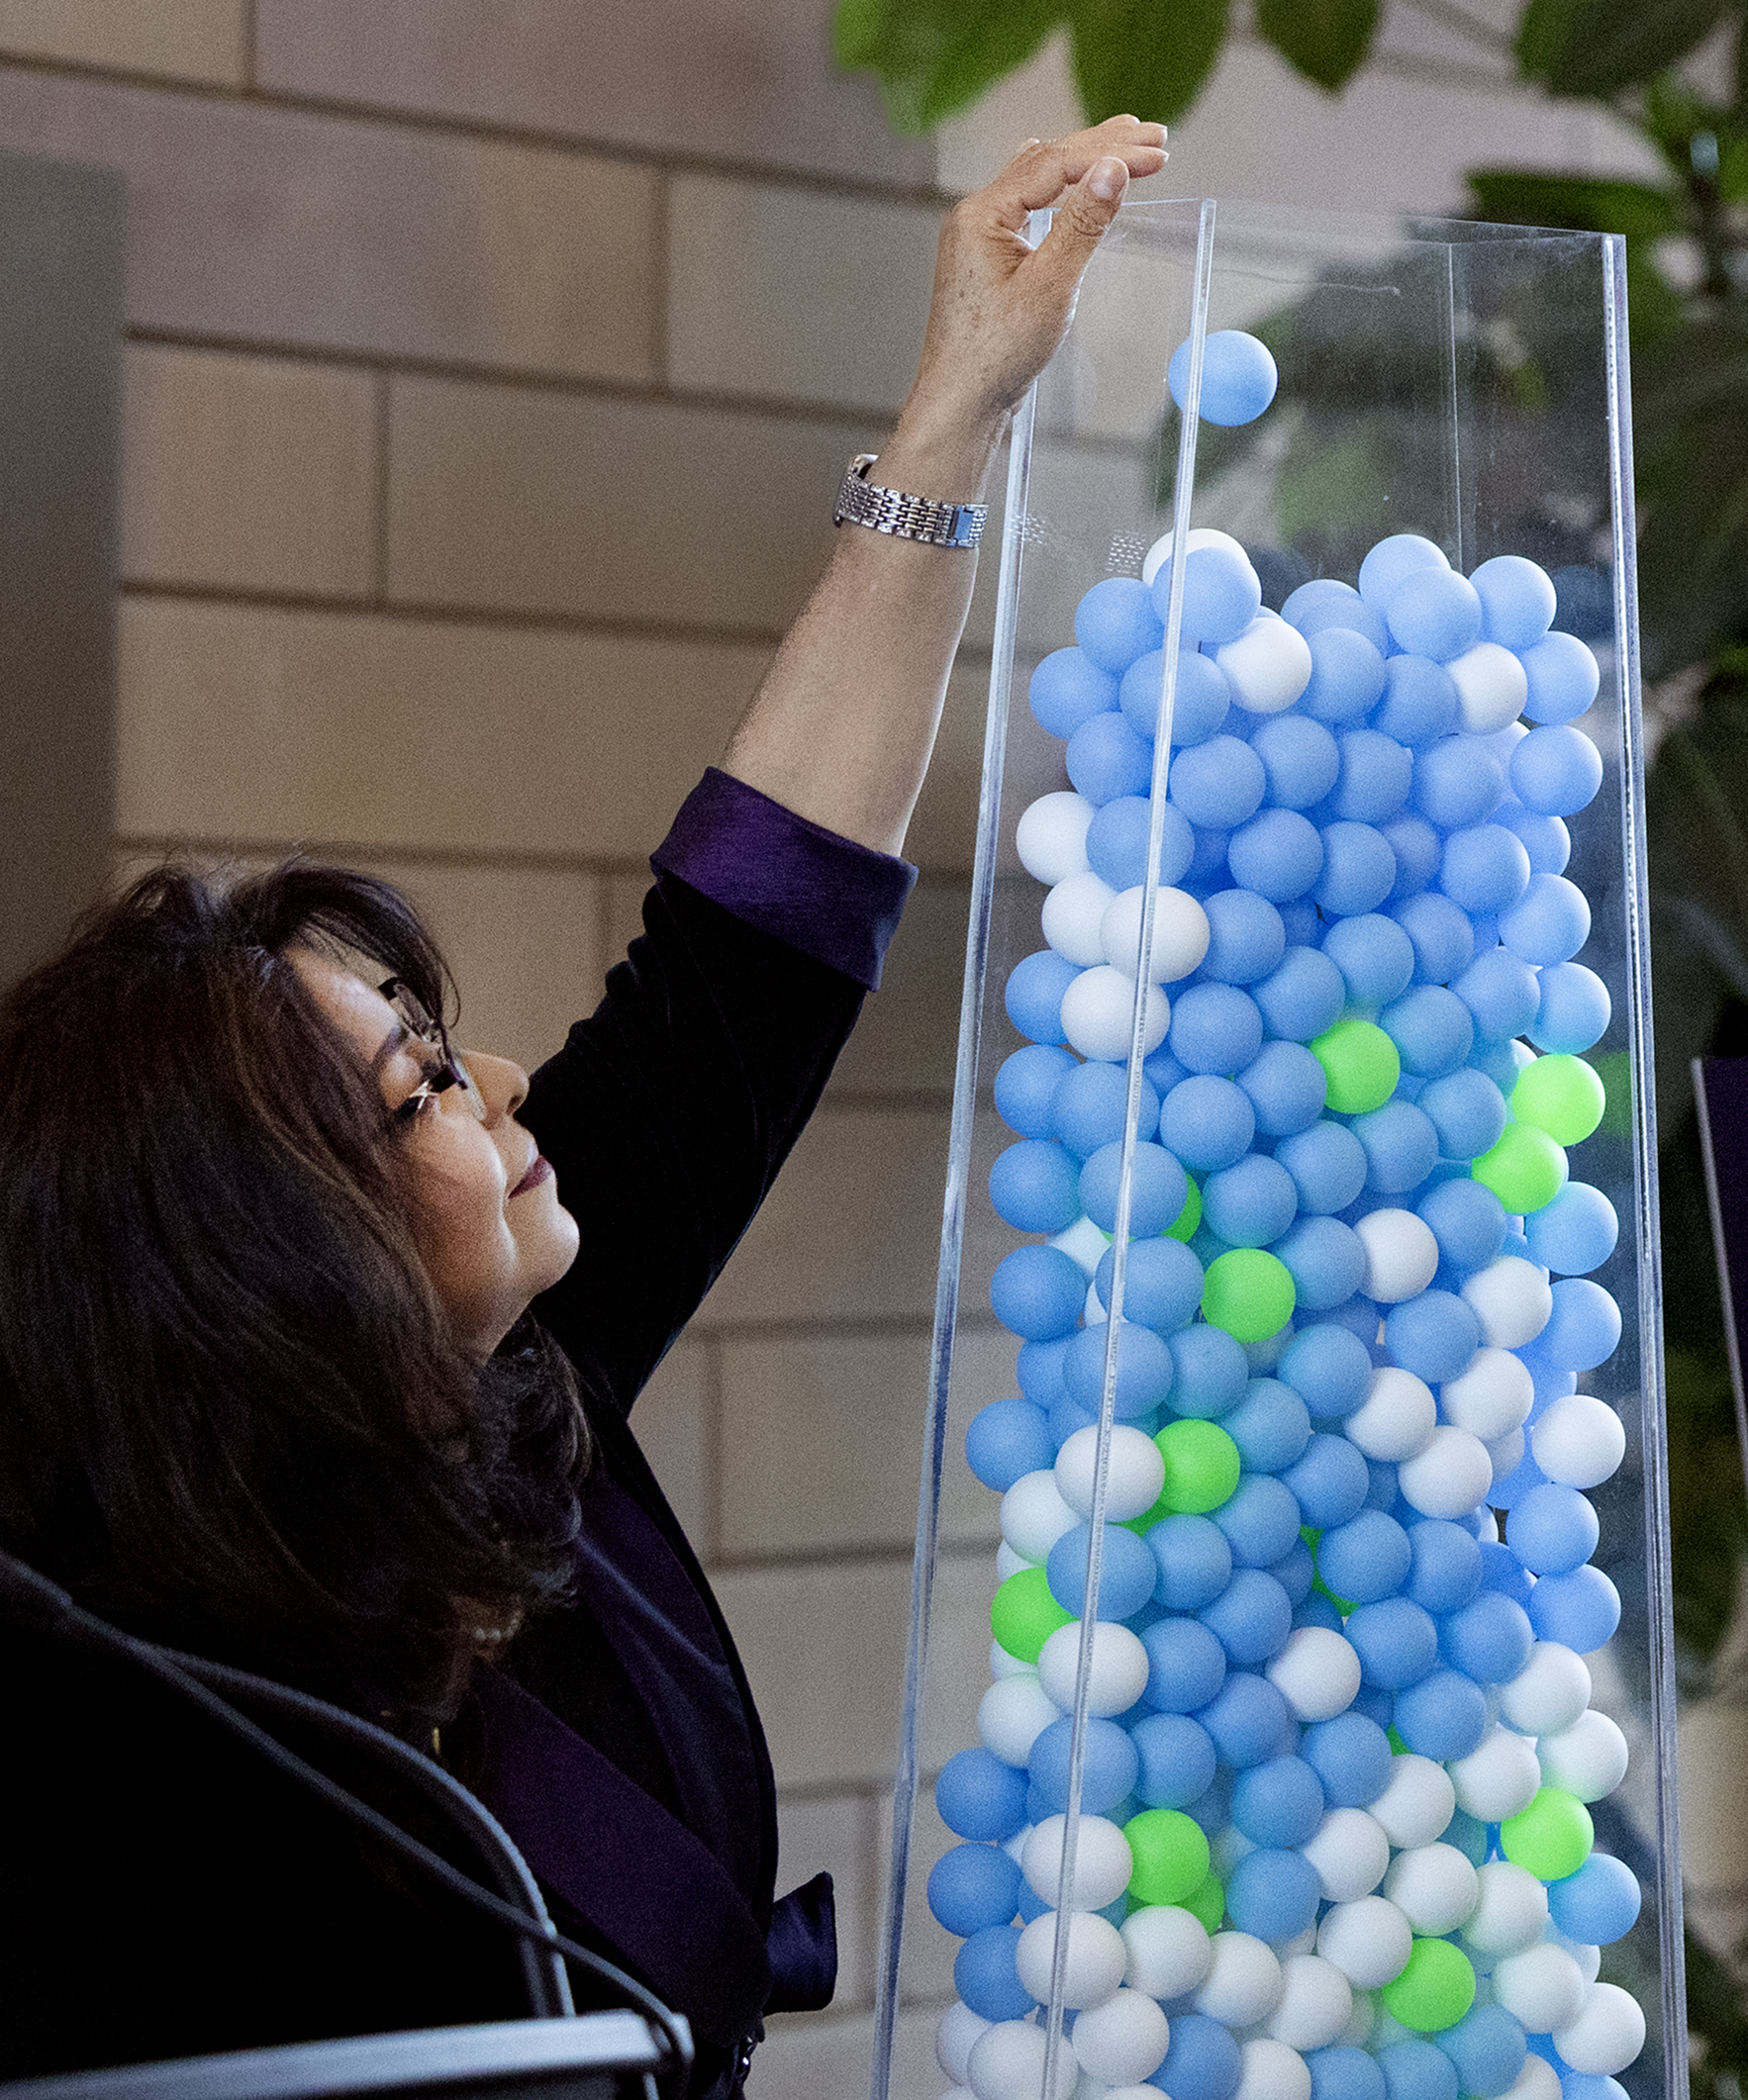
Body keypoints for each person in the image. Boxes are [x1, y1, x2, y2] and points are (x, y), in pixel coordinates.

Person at [0, 115, 1169, 2089]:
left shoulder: (513, 1408)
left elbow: (753, 950)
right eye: (425, 1085)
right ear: (271, 1253)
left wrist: (955, 415)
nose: (513, 1082)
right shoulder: (116, 1732)